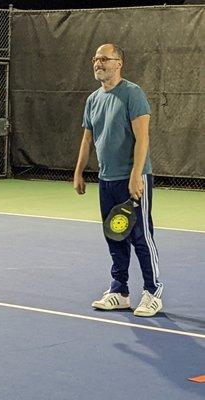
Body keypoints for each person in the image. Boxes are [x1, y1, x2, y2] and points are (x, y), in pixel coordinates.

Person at [73, 44, 163, 317]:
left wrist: (136, 175)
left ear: (119, 63)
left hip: (132, 179)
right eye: (95, 59)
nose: (98, 63)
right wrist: (79, 172)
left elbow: (142, 138)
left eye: (104, 59)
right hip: (107, 180)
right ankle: (120, 291)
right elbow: (88, 138)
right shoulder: (93, 99)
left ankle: (152, 291)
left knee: (140, 235)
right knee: (115, 234)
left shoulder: (132, 93)